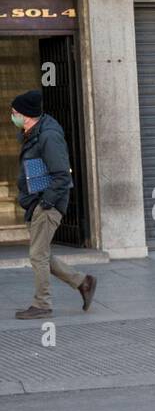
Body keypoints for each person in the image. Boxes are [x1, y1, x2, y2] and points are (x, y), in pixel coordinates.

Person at [11, 90, 96, 320]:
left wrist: (45, 203)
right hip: (37, 201)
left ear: (27, 115)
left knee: (37, 255)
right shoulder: (35, 132)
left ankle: (42, 304)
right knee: (42, 253)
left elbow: (61, 175)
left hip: (47, 205)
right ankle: (82, 282)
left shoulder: (48, 136)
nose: (13, 116)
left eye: (15, 113)